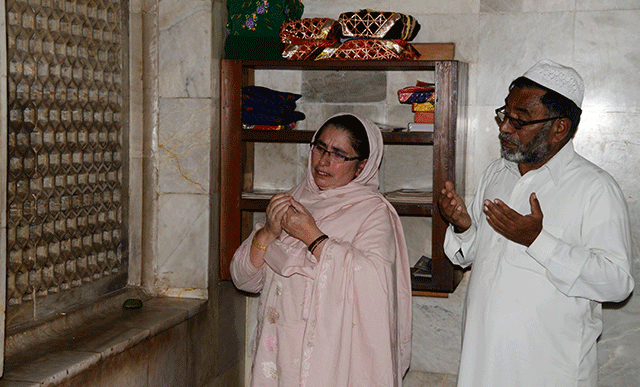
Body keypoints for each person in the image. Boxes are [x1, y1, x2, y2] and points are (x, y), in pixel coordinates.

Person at [438, 59, 635, 387]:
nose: (504, 128)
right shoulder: (496, 173)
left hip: (548, 370)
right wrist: (462, 226)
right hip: (482, 360)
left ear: (559, 128)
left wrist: (537, 240)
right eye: (505, 115)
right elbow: (471, 256)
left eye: (520, 120)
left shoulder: (595, 188)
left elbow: (617, 283)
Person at [231, 113, 412, 386]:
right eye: (320, 148)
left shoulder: (373, 213)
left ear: (362, 166)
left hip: (332, 361)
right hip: (279, 353)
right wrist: (268, 232)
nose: (324, 161)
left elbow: (375, 285)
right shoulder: (294, 199)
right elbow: (244, 279)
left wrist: (313, 238)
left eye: (339, 155)